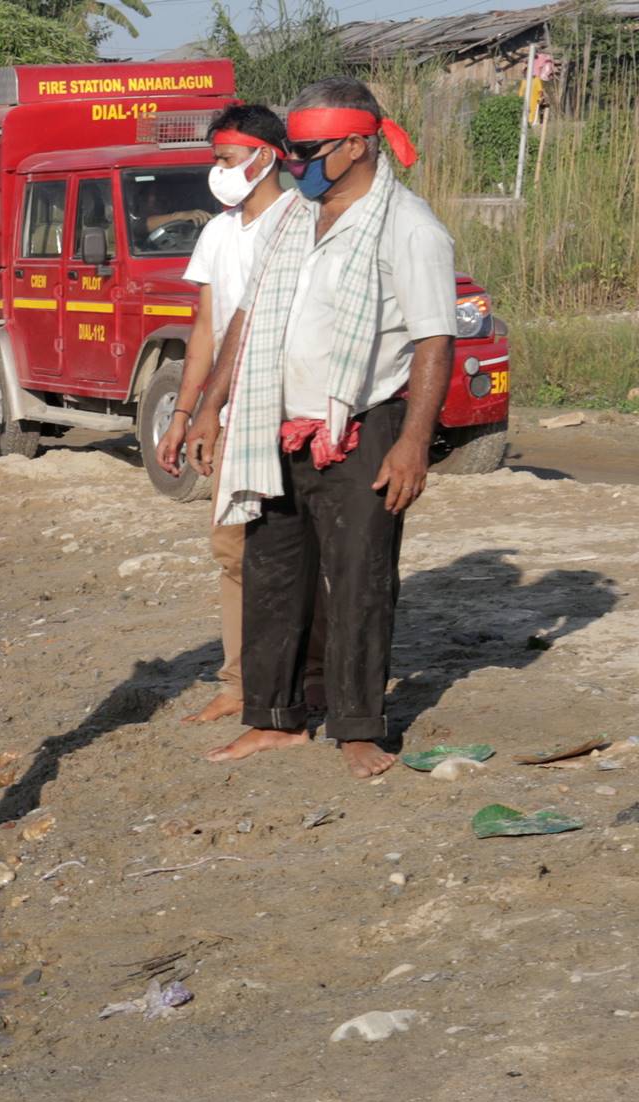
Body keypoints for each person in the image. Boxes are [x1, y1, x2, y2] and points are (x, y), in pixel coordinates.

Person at [182, 79, 458, 781]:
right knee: (274, 571)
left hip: (366, 425)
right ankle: (273, 719)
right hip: (276, 420)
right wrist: (213, 404)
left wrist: (413, 442)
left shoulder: (410, 228)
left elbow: (433, 341)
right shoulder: (290, 220)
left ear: (357, 145)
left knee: (360, 576)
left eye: (305, 150)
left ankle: (360, 726)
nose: (294, 163)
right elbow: (245, 318)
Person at [154, 102, 313, 726]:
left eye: (224, 159)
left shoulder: (303, 222)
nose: (215, 171)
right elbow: (206, 330)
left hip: (287, 405)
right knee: (232, 548)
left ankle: (303, 680)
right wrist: (186, 412)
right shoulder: (219, 232)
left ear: (264, 156)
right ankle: (240, 681)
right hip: (227, 408)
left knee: (294, 546)